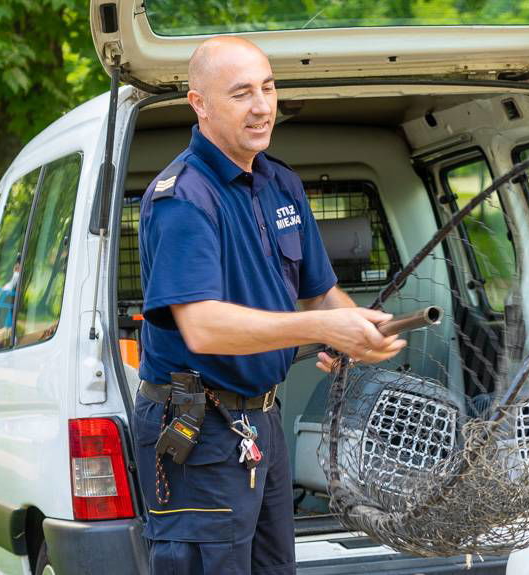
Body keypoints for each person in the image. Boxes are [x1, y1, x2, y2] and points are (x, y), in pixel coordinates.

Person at [133, 36, 405, 575]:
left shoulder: (280, 181)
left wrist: (352, 328)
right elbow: (205, 329)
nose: (262, 106)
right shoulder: (183, 198)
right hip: (199, 432)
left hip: (261, 423)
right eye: (241, 94)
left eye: (269, 87)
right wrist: (323, 324)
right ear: (200, 104)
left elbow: (320, 290)